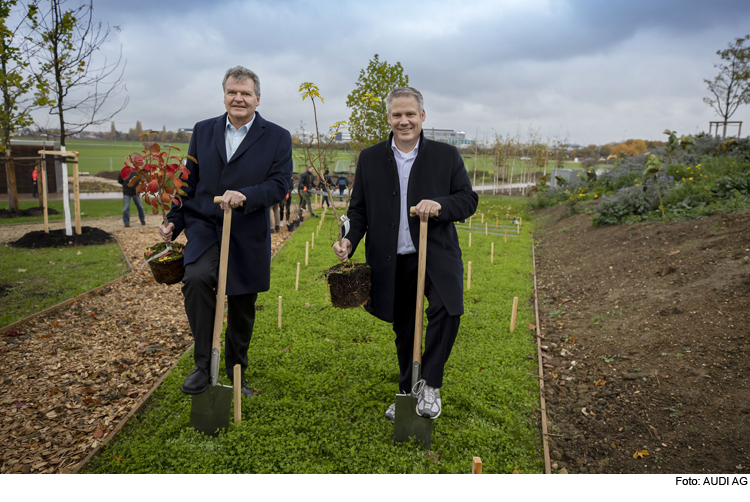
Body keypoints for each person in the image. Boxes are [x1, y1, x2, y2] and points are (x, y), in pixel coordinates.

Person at [333, 86, 477, 421]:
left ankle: (429, 384)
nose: (404, 120)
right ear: (389, 118)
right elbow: (358, 211)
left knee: (447, 309)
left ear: (422, 116)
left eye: (410, 114)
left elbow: (468, 200)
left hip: (436, 253)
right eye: (397, 114)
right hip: (390, 259)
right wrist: (348, 240)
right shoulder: (370, 158)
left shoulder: (446, 156)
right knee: (404, 327)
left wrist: (440, 204)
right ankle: (406, 390)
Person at [159, 66, 292, 398]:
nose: (239, 98)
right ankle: (203, 365)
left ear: (257, 99)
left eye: (246, 93)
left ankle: (235, 371)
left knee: (243, 302)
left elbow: (279, 185)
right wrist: (175, 220)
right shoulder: (203, 131)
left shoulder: (277, 136)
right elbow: (186, 181)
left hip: (247, 229)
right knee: (197, 278)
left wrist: (246, 195)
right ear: (224, 95)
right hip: (206, 225)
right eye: (233, 91)